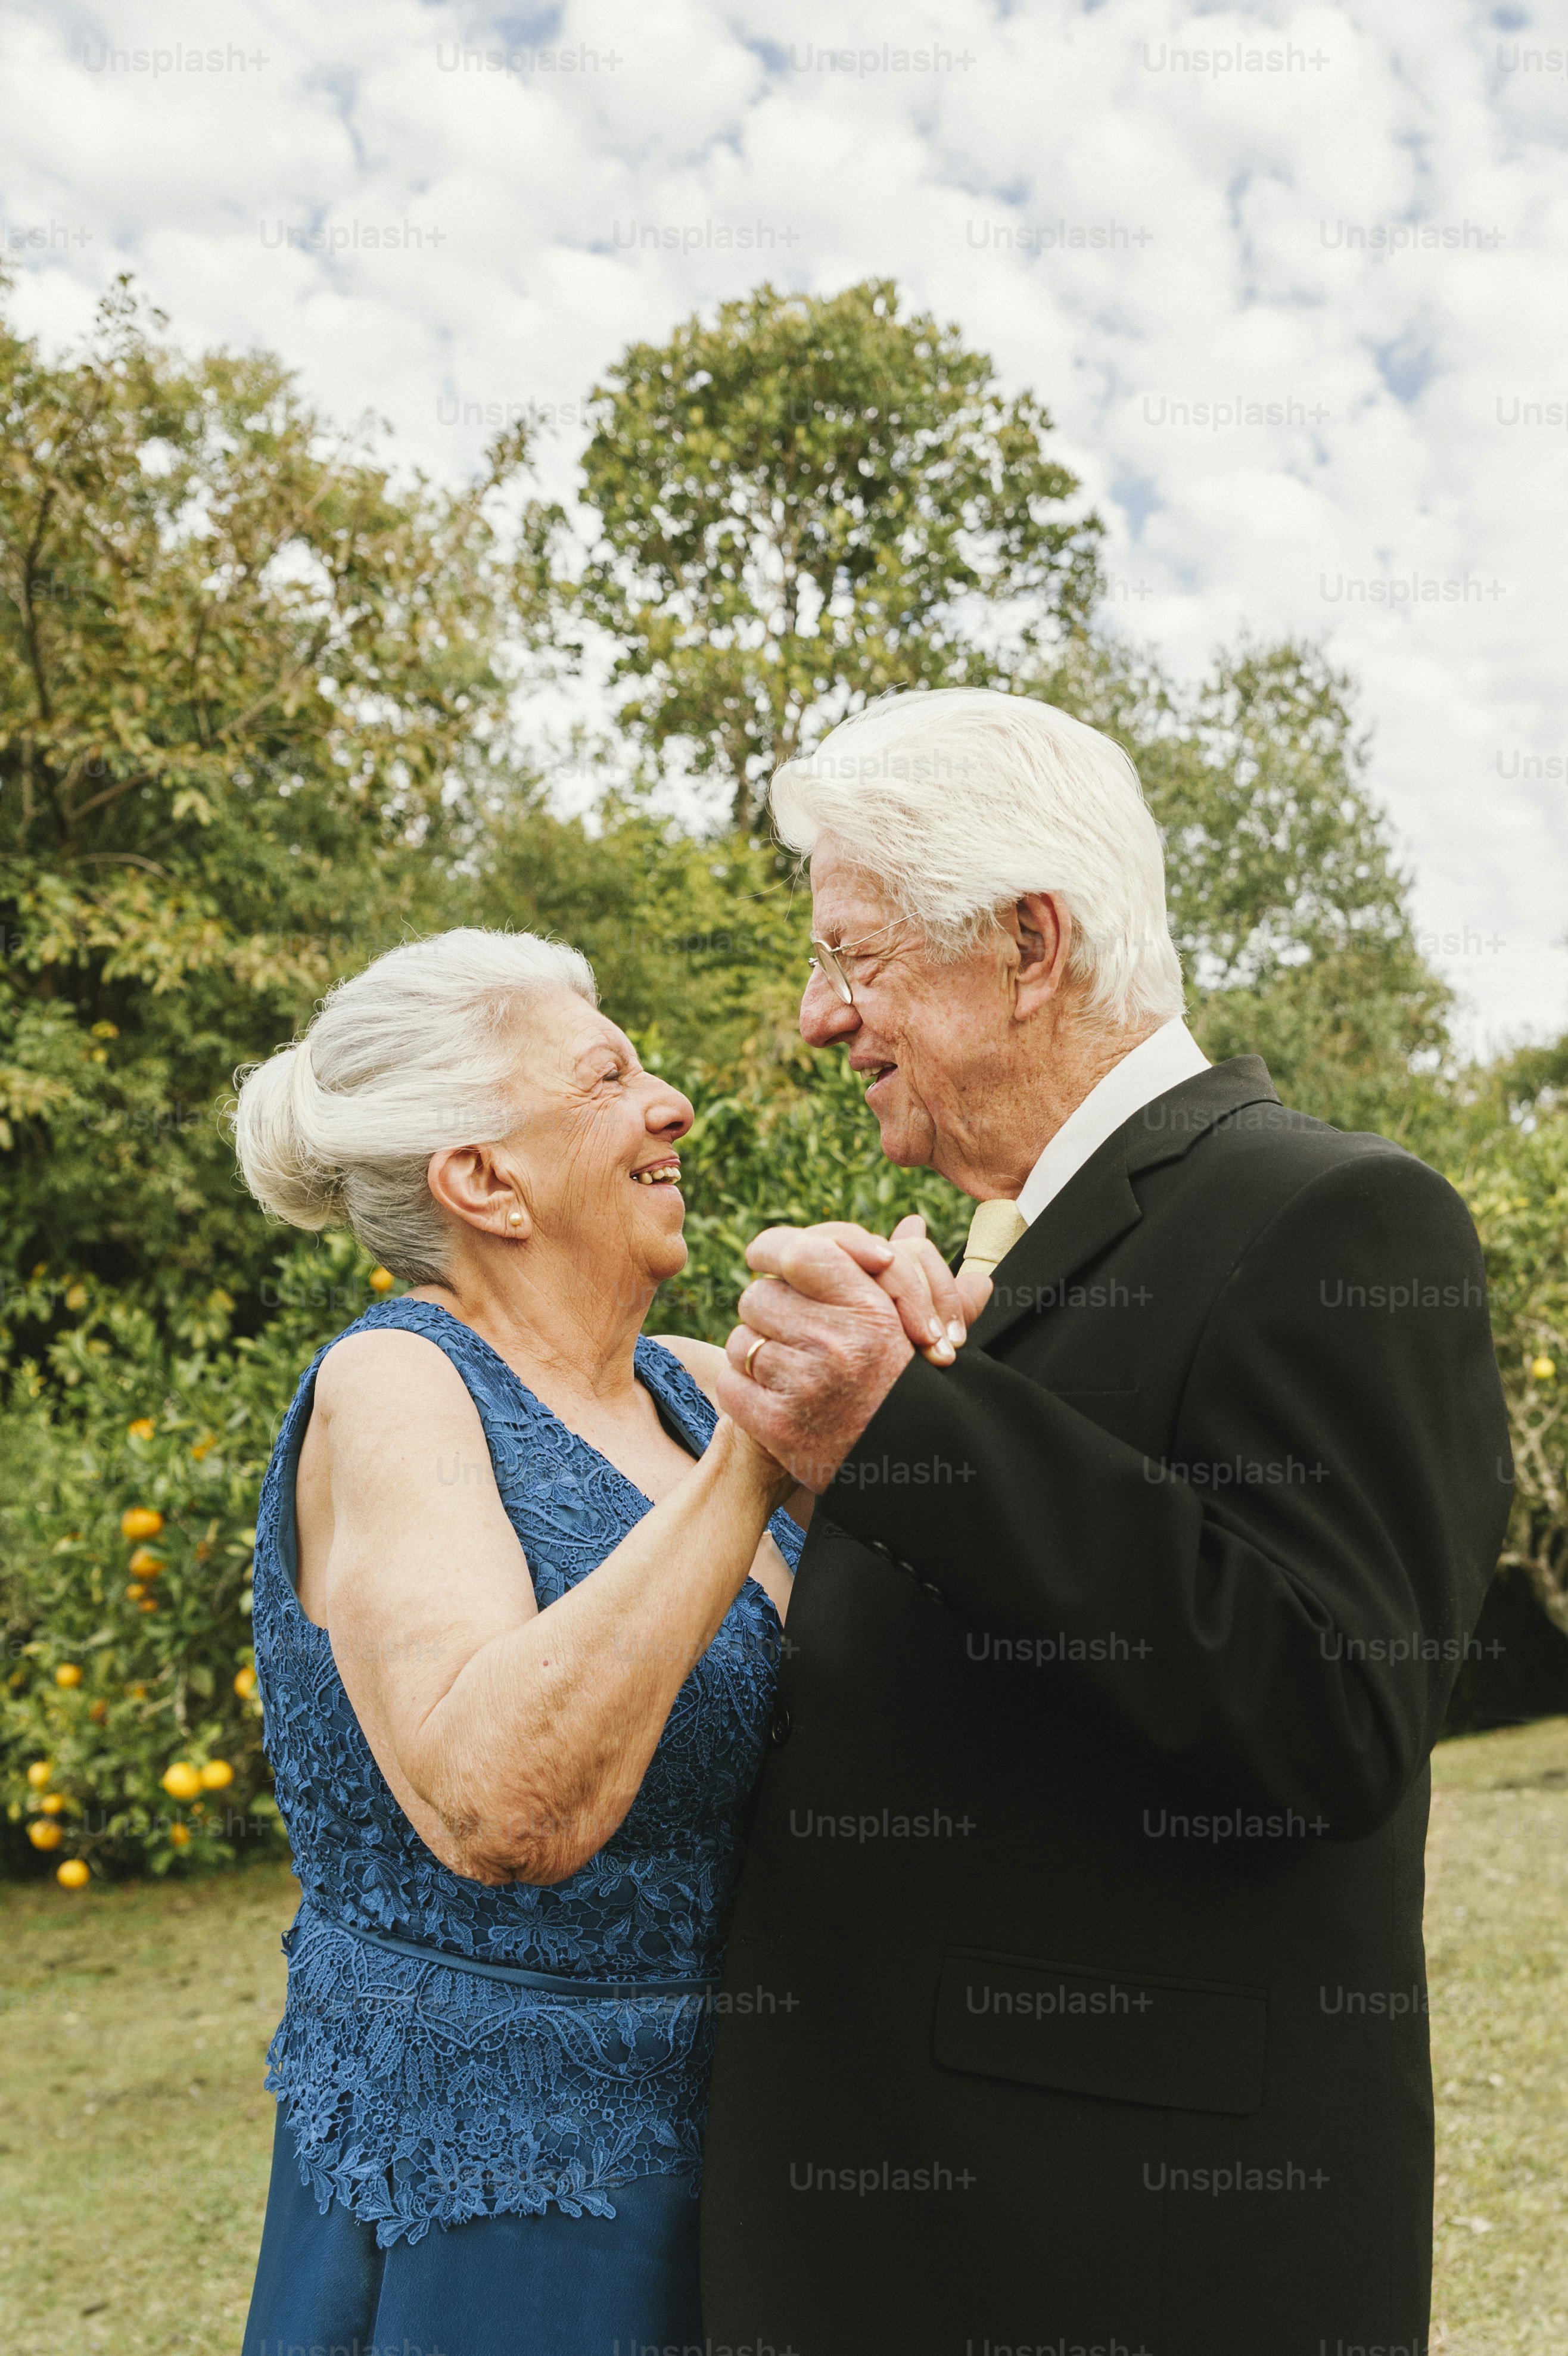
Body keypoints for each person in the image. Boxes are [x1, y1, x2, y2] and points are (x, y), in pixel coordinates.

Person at [701, 687, 1513, 2356]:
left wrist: (904, 1430)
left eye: (853, 958)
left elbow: (1336, 1707)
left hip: (1113, 2250)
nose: (816, 1017)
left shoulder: (1331, 1210)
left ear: (1028, 943)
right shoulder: (1004, 1256)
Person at [230, 928, 954, 2356]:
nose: (673, 1100)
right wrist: (760, 1450)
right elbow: (501, 1802)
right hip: (503, 2218)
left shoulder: (692, 1387)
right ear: (482, 1180)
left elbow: (952, 1654)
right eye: (607, 1075)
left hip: (763, 2179)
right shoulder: (395, 1389)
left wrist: (926, 1350)